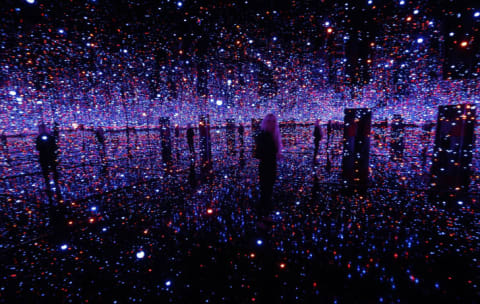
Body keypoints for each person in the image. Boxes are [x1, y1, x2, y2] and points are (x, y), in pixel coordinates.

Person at [255, 113, 282, 219]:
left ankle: (264, 214)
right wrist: (271, 154)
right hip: (266, 166)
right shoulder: (263, 135)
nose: (272, 123)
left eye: (274, 121)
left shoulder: (273, 135)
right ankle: (263, 215)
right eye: (269, 121)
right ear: (265, 123)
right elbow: (258, 154)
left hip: (271, 165)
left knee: (268, 189)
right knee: (265, 190)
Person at [35, 123, 61, 201]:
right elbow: (54, 146)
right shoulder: (48, 137)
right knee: (51, 169)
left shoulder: (40, 138)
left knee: (48, 170)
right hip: (50, 157)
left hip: (45, 157)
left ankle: (50, 182)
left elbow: (38, 148)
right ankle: (54, 182)